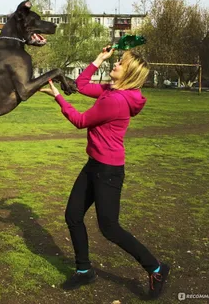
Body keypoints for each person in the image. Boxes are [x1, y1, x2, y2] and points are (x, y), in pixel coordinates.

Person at [39, 47, 170, 299]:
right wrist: (100, 59)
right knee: (73, 215)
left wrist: (58, 96)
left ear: (128, 73)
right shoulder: (113, 91)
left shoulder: (115, 100)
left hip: (108, 170)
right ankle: (84, 270)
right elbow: (82, 84)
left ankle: (155, 268)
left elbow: (80, 120)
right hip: (95, 164)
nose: (116, 64)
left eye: (120, 63)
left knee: (109, 228)